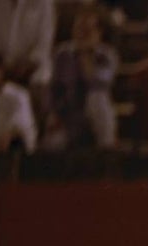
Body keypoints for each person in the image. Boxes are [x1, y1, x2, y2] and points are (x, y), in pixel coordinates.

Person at [45, 5, 119, 150]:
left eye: (87, 30)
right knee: (52, 143)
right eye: (78, 29)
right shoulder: (62, 54)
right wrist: (54, 113)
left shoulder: (107, 55)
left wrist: (85, 54)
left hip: (96, 116)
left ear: (98, 32)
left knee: (98, 97)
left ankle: (107, 150)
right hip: (69, 116)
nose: (81, 35)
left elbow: (98, 83)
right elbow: (54, 87)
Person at [0, 52, 38, 152]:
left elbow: (24, 125)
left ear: (1, 71)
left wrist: (10, 134)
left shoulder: (17, 95)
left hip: (11, 149)